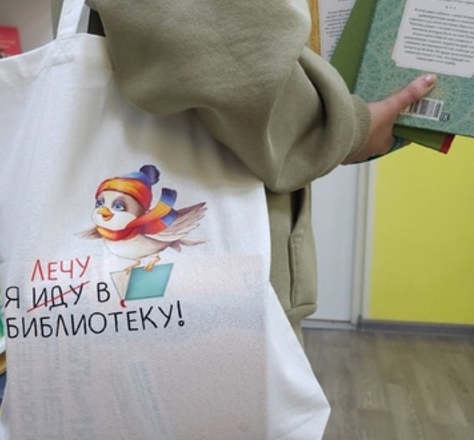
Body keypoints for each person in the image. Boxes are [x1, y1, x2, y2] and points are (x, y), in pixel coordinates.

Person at [72, 0, 437, 343]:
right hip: (221, 294)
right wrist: (344, 130)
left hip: (139, 295)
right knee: (221, 372)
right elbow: (237, 53)